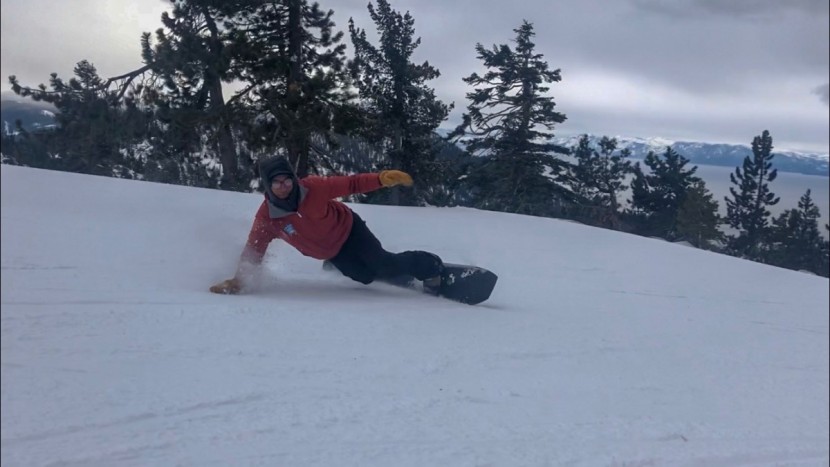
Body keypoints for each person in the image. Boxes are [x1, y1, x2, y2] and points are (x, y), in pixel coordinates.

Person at [209, 156, 445, 295]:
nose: (283, 186)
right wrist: (239, 280)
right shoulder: (268, 217)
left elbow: (351, 184)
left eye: (286, 179)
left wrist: (381, 179)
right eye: (276, 182)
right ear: (268, 186)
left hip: (350, 230)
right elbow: (254, 250)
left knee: (382, 263)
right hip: (332, 252)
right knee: (364, 277)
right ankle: (343, 266)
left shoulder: (313, 188)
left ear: (293, 178)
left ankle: (430, 266)